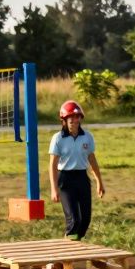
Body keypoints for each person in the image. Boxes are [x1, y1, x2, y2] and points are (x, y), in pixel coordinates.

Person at [48, 101, 105, 241]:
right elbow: (52, 165)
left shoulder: (87, 137)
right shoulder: (58, 138)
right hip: (65, 180)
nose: (75, 120)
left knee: (85, 219)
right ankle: (68, 253)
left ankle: (74, 245)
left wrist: (99, 181)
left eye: (78, 117)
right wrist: (54, 189)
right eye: (71, 118)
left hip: (82, 178)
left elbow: (92, 160)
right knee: (74, 220)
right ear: (64, 120)